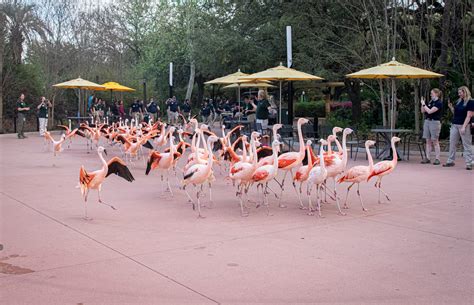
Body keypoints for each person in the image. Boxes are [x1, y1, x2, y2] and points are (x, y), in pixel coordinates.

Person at [444, 86, 473, 170]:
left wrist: (464, 127)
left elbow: (469, 116)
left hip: (464, 125)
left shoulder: (470, 102)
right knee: (452, 143)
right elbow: (456, 113)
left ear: (465, 92)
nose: (459, 94)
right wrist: (451, 108)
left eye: (460, 92)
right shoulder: (459, 101)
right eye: (459, 92)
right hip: (455, 124)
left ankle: (469, 163)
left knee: (466, 144)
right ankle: (450, 161)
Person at [420, 88, 443, 165]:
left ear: (436, 94)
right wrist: (422, 104)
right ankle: (428, 157)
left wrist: (424, 104)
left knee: (435, 141)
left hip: (435, 122)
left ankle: (437, 158)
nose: (430, 95)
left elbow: (429, 111)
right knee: (427, 140)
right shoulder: (430, 102)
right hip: (427, 121)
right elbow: (423, 111)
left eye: (432, 93)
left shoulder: (439, 103)